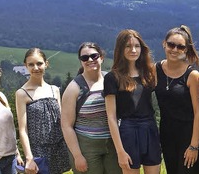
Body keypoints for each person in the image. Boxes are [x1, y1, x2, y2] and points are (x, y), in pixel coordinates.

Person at [103, 29, 161, 174]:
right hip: (127, 130)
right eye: (128, 46)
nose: (133, 50)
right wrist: (120, 151)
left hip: (150, 128)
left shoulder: (148, 73)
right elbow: (111, 116)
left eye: (137, 46)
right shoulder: (112, 77)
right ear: (120, 49)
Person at [61, 42, 121, 174]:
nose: (89, 60)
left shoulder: (111, 79)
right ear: (81, 61)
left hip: (112, 145)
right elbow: (66, 126)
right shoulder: (74, 88)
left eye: (94, 56)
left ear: (101, 57)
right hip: (86, 147)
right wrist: (77, 156)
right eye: (84, 58)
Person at [155, 26, 199, 174]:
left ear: (186, 50)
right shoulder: (155, 69)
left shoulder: (192, 75)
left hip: (189, 135)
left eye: (180, 47)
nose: (174, 50)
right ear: (164, 43)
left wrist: (194, 146)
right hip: (167, 134)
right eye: (171, 44)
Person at [16, 48, 71, 174]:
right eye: (31, 64)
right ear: (26, 66)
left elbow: (62, 121)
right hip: (38, 150)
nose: (36, 68)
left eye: (39, 63)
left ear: (46, 64)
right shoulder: (22, 93)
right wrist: (29, 157)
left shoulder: (54, 90)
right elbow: (23, 129)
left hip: (59, 147)